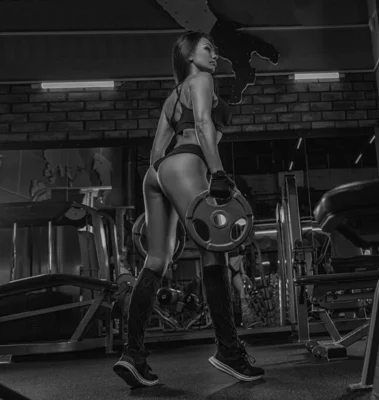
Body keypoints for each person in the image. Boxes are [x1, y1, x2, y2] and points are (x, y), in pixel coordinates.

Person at [112, 30, 265, 388]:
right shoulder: (203, 80)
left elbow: (154, 156)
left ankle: (131, 355)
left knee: (156, 261)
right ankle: (228, 352)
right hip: (190, 163)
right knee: (216, 255)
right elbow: (203, 124)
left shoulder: (170, 99)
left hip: (159, 173)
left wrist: (171, 191)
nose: (214, 55)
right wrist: (218, 173)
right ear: (189, 55)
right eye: (208, 48)